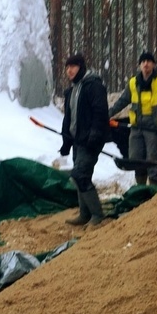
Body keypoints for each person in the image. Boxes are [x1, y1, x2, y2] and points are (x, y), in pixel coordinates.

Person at [109, 51, 157, 187]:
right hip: (136, 129)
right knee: (136, 160)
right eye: (143, 61)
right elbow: (122, 101)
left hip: (153, 130)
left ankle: (153, 192)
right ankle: (141, 190)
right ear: (140, 65)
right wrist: (107, 113)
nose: (146, 64)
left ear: (153, 64)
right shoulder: (133, 83)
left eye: (149, 61)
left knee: (153, 162)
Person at [59, 53, 110, 227]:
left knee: (80, 175)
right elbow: (69, 118)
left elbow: (100, 112)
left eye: (73, 66)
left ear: (81, 67)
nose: (69, 70)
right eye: (67, 67)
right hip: (77, 141)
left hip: (90, 140)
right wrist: (66, 141)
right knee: (80, 176)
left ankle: (97, 216)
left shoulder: (93, 85)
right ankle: (84, 214)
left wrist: (95, 135)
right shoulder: (72, 90)